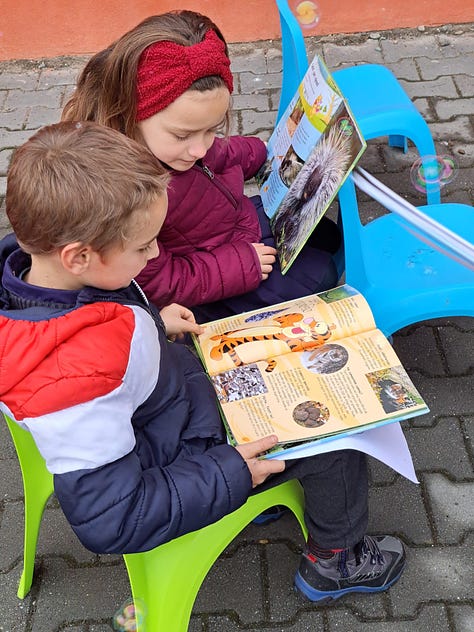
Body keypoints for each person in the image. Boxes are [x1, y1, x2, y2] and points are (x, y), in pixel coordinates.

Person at [0, 121, 405, 604]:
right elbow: (113, 517)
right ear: (79, 256)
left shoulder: (40, 279)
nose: (154, 256)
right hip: (183, 450)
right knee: (338, 434)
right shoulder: (76, 379)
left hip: (173, 408)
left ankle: (271, 498)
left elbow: (96, 324)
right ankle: (337, 561)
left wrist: (152, 318)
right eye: (143, 248)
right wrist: (230, 471)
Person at [61, 10, 342, 323]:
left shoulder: (179, 145)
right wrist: (239, 265)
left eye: (212, 128)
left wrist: (262, 151)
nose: (199, 148)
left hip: (237, 226)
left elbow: (219, 156)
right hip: (214, 280)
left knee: (328, 235)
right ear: (129, 113)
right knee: (322, 276)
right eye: (182, 135)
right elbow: (161, 281)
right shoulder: (126, 196)